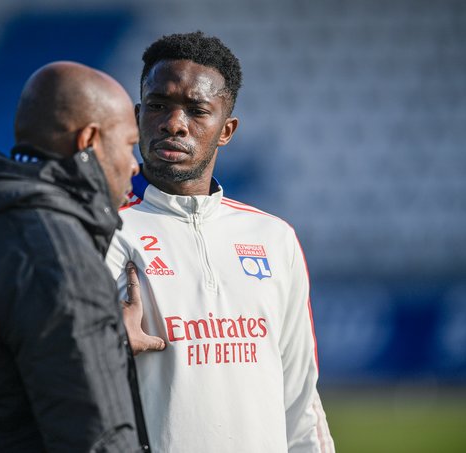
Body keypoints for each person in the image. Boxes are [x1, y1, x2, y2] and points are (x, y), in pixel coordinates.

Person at [106, 32, 336, 452]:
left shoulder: (274, 239)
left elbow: (300, 397)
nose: (174, 123)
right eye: (158, 105)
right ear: (138, 116)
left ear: (226, 130)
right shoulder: (103, 231)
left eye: (197, 111)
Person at [0, 61, 150, 452]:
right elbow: (97, 436)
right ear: (89, 141)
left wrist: (108, 338)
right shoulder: (55, 251)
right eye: (129, 144)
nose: (135, 164)